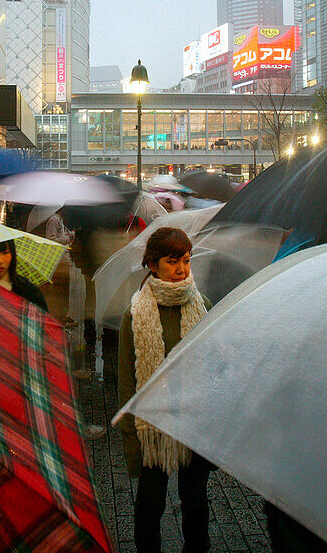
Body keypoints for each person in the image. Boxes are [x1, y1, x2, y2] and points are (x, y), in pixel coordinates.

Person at [118, 227, 213, 552]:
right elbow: (126, 381)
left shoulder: (202, 305)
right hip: (154, 426)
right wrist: (132, 438)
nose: (182, 269)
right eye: (173, 261)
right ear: (152, 264)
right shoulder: (135, 314)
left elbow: (214, 366)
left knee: (196, 501)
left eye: (186, 260)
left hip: (194, 422)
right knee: (150, 504)